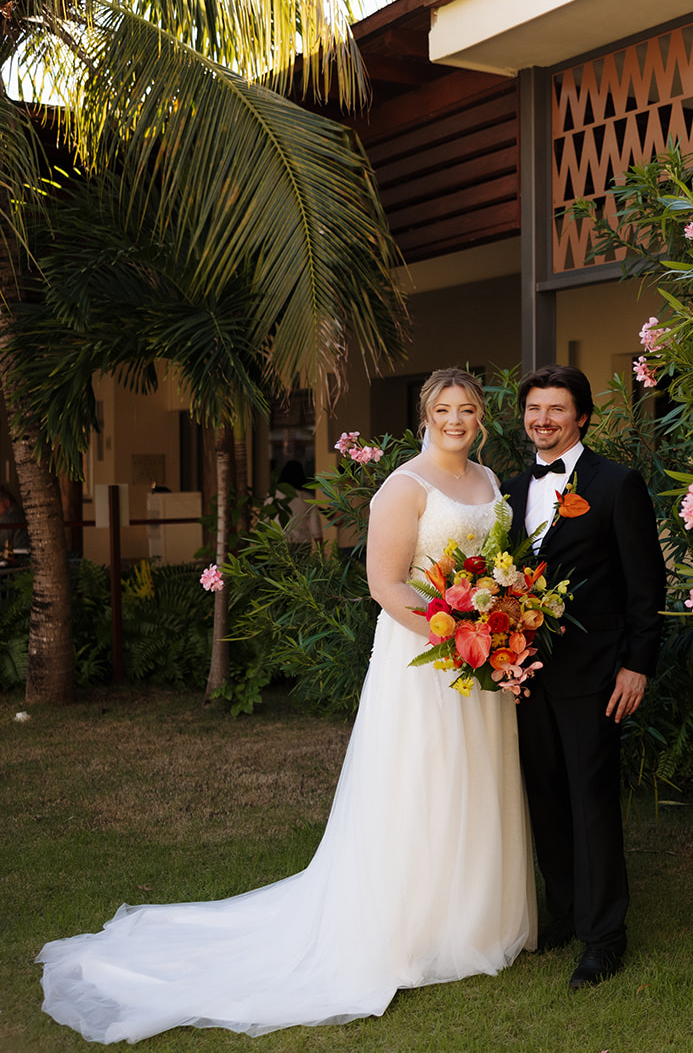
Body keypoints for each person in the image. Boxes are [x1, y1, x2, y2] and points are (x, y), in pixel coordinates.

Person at [36, 368, 536, 1043]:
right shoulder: (404, 485)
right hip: (426, 658)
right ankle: (412, 928)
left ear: (481, 417)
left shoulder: (489, 482)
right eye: (444, 408)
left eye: (467, 408)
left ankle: (475, 919)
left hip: (481, 659)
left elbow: (498, 567)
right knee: (425, 781)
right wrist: (458, 634)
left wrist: (500, 632)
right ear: (426, 413)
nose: (456, 419)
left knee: (477, 781)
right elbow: (386, 584)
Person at [502, 364, 664, 991]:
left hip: (597, 674)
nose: (543, 420)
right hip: (524, 674)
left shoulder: (617, 484)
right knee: (544, 798)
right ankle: (566, 914)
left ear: (583, 416)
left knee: (590, 802)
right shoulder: (511, 490)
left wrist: (637, 665)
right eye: (534, 409)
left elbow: (646, 587)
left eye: (557, 409)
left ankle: (605, 937)